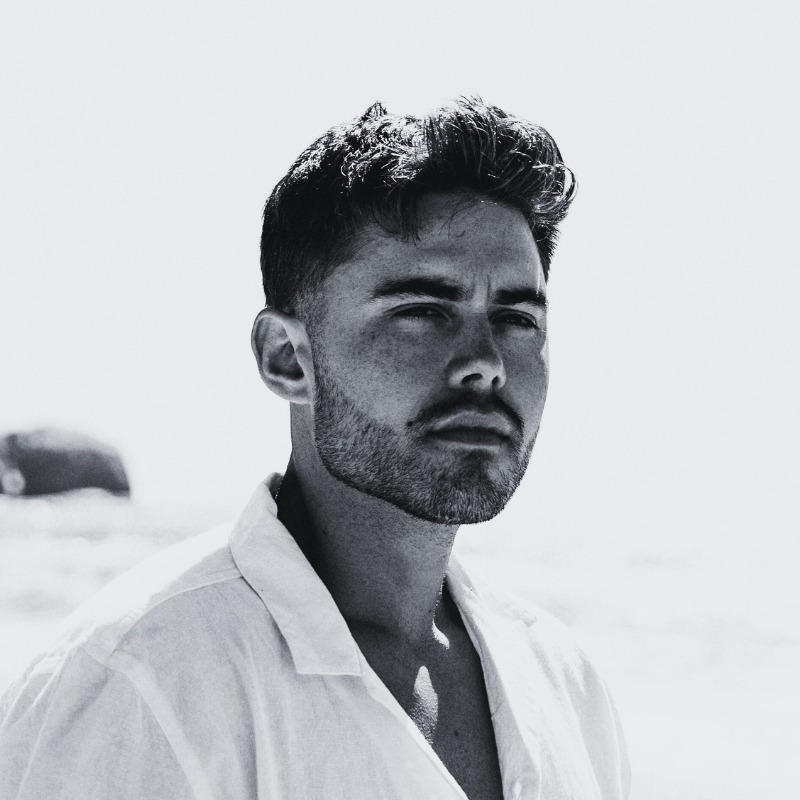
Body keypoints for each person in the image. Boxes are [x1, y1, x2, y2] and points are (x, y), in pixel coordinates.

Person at [0, 99, 631, 799]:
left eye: (516, 318)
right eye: (423, 311)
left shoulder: (567, 689)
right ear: (287, 358)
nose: (485, 363)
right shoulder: (143, 684)